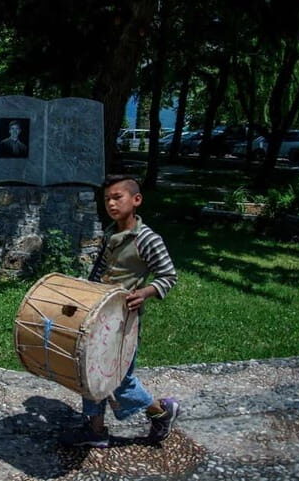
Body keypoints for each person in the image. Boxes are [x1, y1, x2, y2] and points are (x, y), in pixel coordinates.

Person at [72, 175, 180, 448]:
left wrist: (145, 292)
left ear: (136, 200)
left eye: (117, 197)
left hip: (123, 321)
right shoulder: (111, 232)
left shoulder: (147, 239)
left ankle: (161, 411)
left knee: (119, 380)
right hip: (99, 315)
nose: (111, 203)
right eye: (107, 198)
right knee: (90, 371)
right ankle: (96, 431)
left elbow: (168, 275)